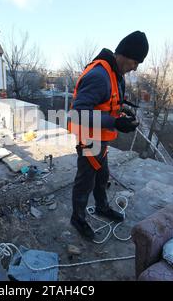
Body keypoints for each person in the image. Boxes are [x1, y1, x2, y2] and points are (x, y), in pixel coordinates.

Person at [67, 31, 149, 241]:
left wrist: (121, 114)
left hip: (101, 137)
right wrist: (115, 122)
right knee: (85, 179)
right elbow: (79, 114)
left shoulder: (115, 74)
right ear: (124, 54)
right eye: (135, 61)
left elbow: (106, 104)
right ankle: (78, 217)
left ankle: (102, 206)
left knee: (102, 175)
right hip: (89, 137)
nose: (135, 67)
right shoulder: (99, 75)